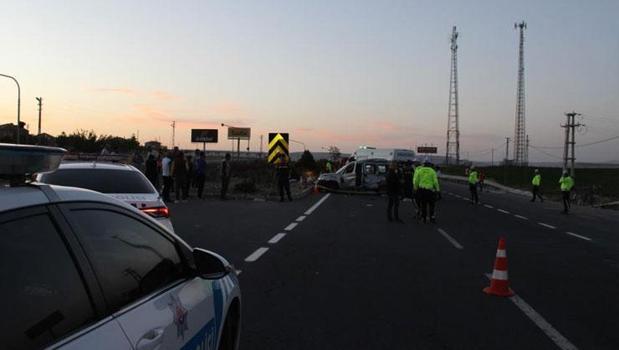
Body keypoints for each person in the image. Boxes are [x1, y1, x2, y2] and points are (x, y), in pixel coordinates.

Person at [413, 159, 440, 223]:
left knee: (423, 204)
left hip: (422, 190)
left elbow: (416, 181)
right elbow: (435, 182)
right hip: (430, 191)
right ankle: (432, 217)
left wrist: (415, 189)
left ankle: (424, 218)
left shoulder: (420, 171)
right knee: (431, 205)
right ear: (430, 164)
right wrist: (438, 190)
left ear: (424, 164)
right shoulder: (432, 171)